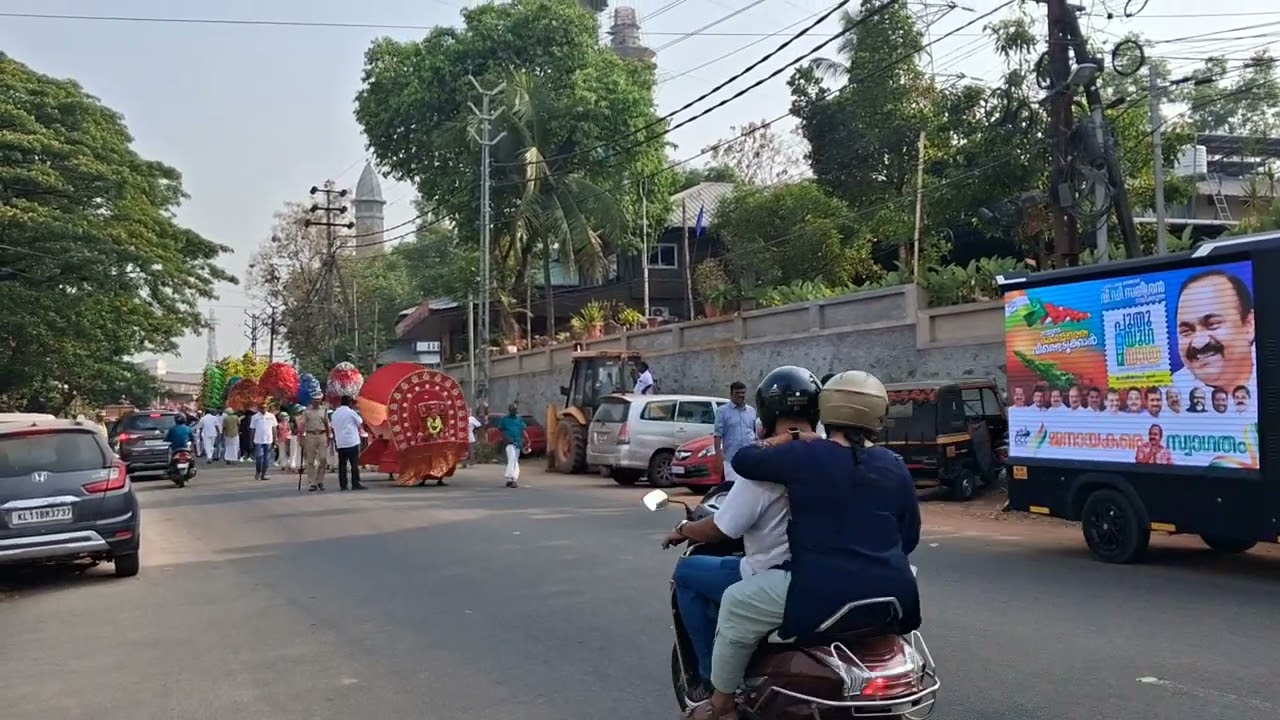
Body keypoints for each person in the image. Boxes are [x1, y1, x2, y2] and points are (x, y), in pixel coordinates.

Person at [697, 371, 921, 720]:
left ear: (827, 408)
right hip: (893, 592)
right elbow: (909, 539)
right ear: (879, 413)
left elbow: (742, 461)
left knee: (736, 602)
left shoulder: (807, 455)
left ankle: (722, 705)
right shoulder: (894, 465)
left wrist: (789, 439)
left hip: (821, 591)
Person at [661, 366, 818, 706]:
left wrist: (683, 530)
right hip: (833, 572)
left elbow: (721, 529)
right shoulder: (838, 455)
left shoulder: (764, 464)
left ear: (765, 413)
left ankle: (710, 682)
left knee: (686, 575)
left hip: (777, 574)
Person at [712, 381, 758, 484]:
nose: (740, 395)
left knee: (749, 487)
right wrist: (718, 456)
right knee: (732, 487)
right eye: (737, 393)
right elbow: (718, 435)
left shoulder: (751, 411)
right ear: (731, 394)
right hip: (731, 458)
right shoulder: (722, 412)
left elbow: (755, 433)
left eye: (742, 393)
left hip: (749, 457)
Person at [330, 396, 367, 491]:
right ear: (350, 403)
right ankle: (355, 483)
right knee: (354, 464)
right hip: (352, 441)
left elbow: (333, 427)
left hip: (340, 442)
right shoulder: (351, 412)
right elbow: (360, 422)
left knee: (342, 465)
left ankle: (343, 485)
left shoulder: (335, 413)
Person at [298, 393, 329, 491]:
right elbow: (302, 425)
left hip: (322, 434)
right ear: (312, 400)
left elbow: (327, 424)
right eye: (314, 399)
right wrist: (301, 437)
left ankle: (320, 480)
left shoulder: (324, 410)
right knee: (310, 460)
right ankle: (312, 482)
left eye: (318, 399)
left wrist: (329, 436)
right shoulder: (306, 411)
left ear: (321, 400)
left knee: (323, 458)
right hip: (310, 435)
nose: (316, 401)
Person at [496, 404, 526, 488]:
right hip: (509, 443)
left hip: (518, 442)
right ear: (509, 410)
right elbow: (501, 430)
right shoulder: (504, 419)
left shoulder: (519, 419)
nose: (514, 412)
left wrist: (527, 440)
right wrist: (505, 438)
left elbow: (523, 430)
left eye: (515, 410)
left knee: (514, 461)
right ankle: (513, 478)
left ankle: (510, 480)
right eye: (512, 410)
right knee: (512, 458)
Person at [250, 405, 276, 481]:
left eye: (265, 407)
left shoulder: (271, 416)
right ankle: (258, 471)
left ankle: (264, 473)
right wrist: (251, 441)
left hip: (268, 439)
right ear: (259, 408)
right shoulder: (255, 417)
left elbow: (274, 428)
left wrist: (275, 439)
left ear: (267, 408)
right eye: (262, 407)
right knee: (258, 457)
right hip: (258, 440)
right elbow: (252, 430)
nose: (263, 409)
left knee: (266, 458)